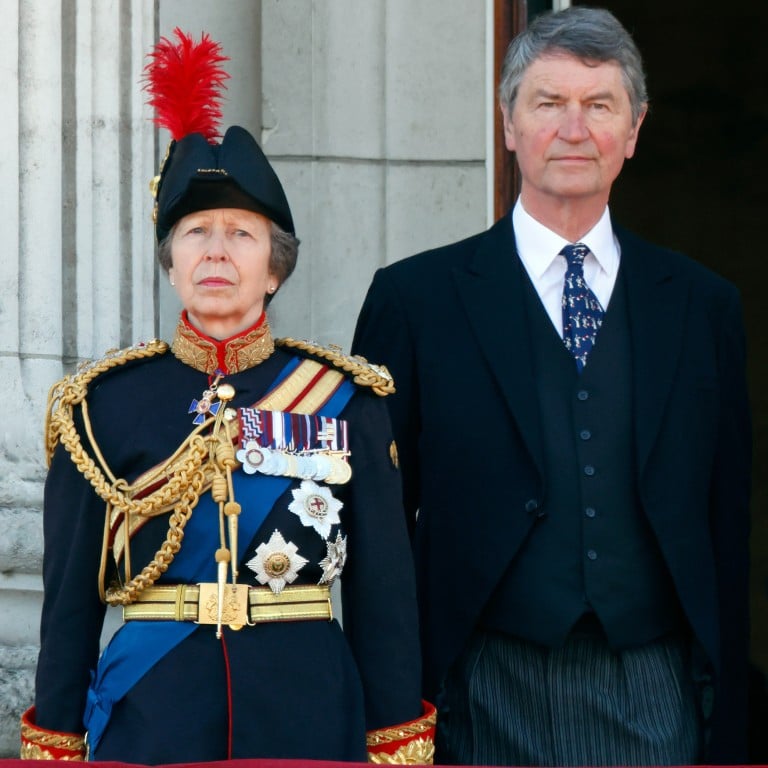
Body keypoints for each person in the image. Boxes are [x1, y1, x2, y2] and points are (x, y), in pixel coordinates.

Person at [20, 29, 435, 764]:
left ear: (274, 270)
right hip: (153, 711)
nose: (216, 250)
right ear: (171, 262)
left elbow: (384, 598)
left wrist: (395, 735)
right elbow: (70, 604)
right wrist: (55, 739)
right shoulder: (100, 405)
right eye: (196, 232)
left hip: (307, 708)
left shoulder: (349, 399)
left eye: (242, 234)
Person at [352, 6, 751, 766]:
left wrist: (727, 714)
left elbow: (726, 524)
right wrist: (388, 707)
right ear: (508, 124)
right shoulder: (415, 300)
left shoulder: (704, 306)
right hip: (473, 686)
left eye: (599, 105)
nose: (575, 128)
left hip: (653, 688)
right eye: (548, 103)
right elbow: (378, 528)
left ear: (633, 132)